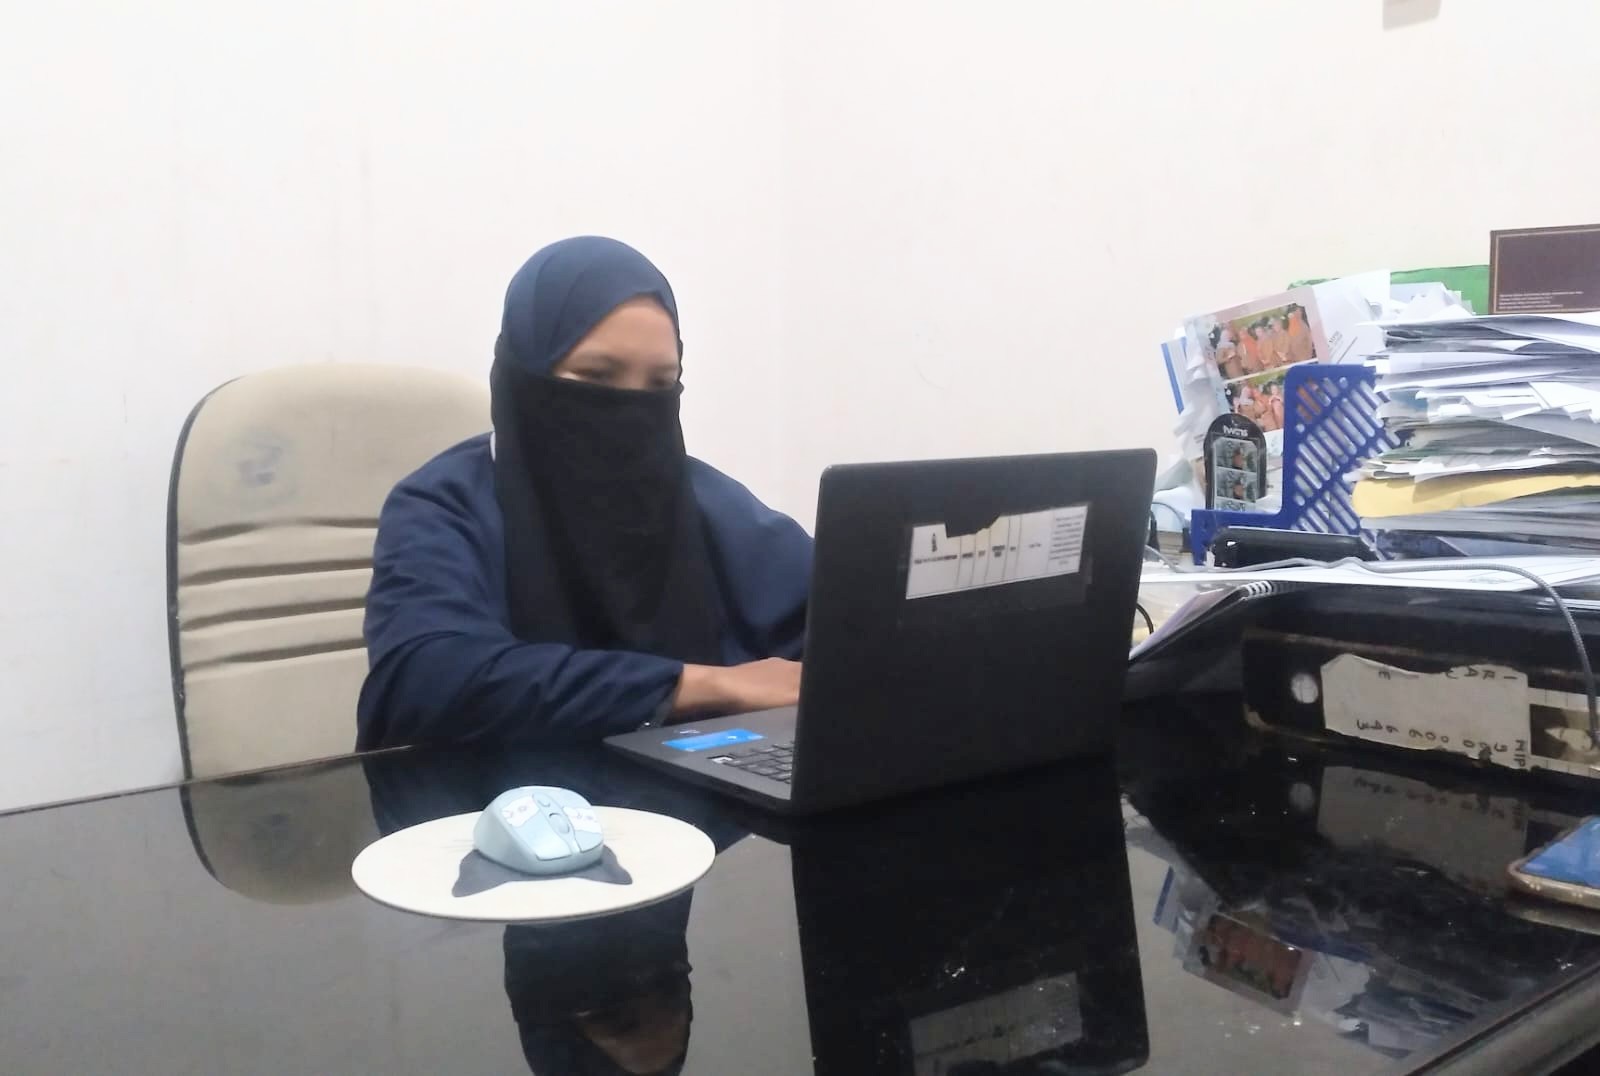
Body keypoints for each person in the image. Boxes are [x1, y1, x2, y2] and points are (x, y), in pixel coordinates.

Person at [357, 237, 813, 749]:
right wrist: (701, 684)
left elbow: (838, 614)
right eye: (596, 377)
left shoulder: (702, 499)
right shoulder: (443, 505)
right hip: (500, 792)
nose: (631, 412)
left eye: (660, 384)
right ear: (524, 375)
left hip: (697, 784)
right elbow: (427, 680)